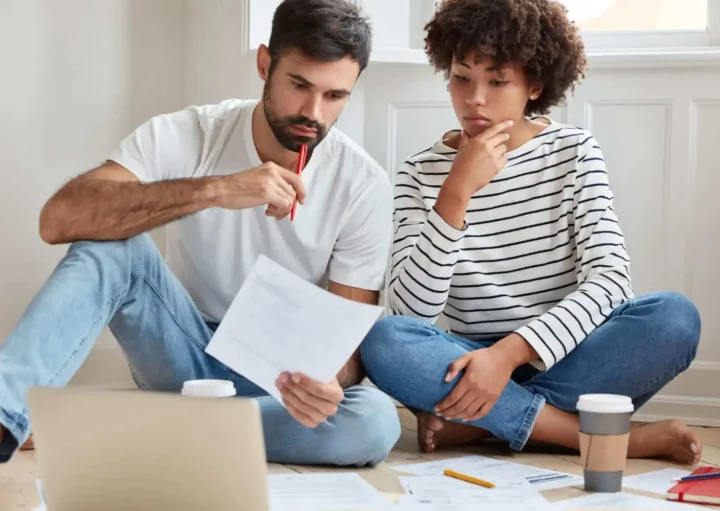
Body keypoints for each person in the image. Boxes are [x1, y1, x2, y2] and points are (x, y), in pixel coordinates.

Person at [0, 0, 400, 466]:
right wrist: (217, 189)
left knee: (373, 421)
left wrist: (329, 380)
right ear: (264, 63)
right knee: (114, 246)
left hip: (280, 379)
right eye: (299, 85)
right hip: (182, 350)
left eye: (335, 96)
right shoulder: (191, 132)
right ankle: (5, 414)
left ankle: (154, 429)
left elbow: (346, 345)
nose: (313, 112)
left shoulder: (364, 184)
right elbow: (60, 219)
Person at [360, 0, 702, 465]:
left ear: (534, 85)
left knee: (674, 318)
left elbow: (610, 281)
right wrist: (456, 191)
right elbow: (411, 313)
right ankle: (595, 438)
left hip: (560, 356)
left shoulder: (573, 152)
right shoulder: (419, 173)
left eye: (497, 81)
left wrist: (506, 357)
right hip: (464, 360)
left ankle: (484, 423)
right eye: (461, 77)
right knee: (385, 341)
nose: (474, 98)